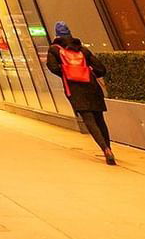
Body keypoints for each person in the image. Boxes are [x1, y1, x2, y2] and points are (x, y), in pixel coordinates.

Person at [45, 32, 114, 164]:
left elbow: (53, 67)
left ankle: (105, 149)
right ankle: (109, 148)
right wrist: (87, 72)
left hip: (74, 89)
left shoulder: (54, 50)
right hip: (92, 86)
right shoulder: (83, 50)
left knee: (89, 120)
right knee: (100, 119)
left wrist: (67, 73)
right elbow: (101, 69)